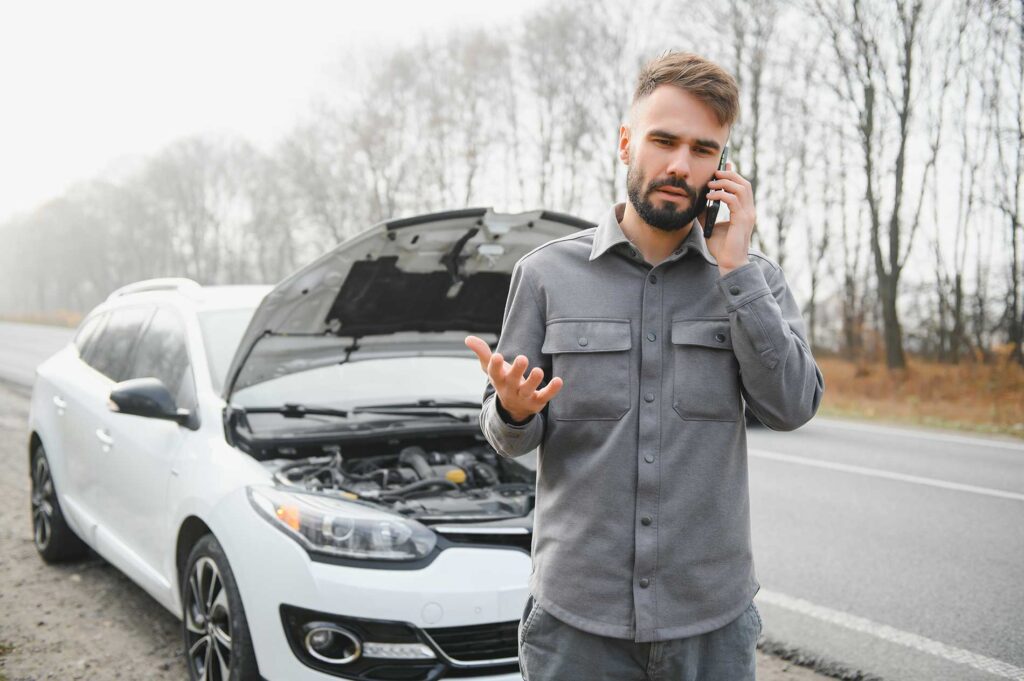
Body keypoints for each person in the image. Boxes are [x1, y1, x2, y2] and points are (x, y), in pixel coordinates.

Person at [464, 50, 824, 681]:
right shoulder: (545, 276)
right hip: (577, 626)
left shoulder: (753, 279)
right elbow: (507, 436)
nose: (680, 165)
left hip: (709, 627)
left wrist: (735, 270)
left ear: (723, 166)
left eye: (703, 149)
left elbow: (792, 406)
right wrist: (514, 411)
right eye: (663, 140)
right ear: (628, 141)